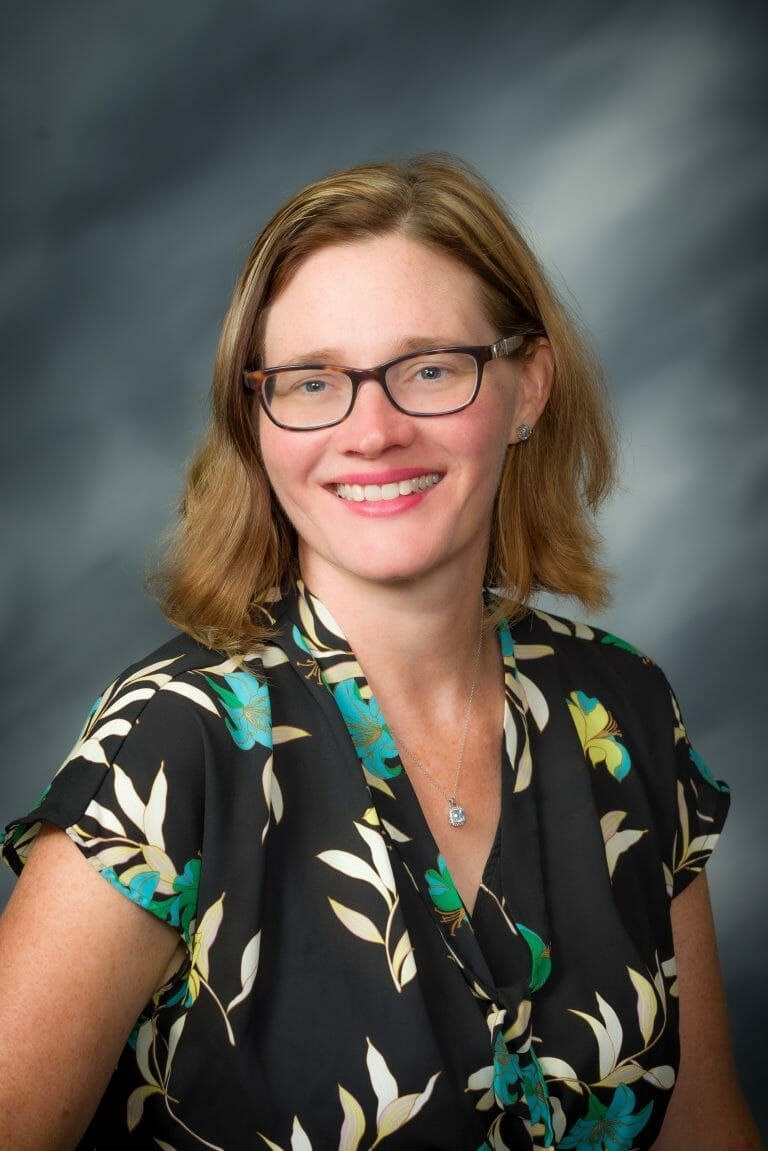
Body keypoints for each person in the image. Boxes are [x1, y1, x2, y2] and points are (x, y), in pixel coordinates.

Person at [0, 155, 762, 1151]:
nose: (373, 429)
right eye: (313, 381)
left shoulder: (619, 708)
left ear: (528, 386)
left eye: (430, 369)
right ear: (256, 418)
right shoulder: (171, 744)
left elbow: (704, 1129)